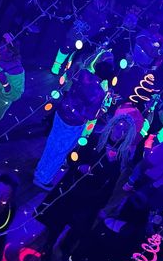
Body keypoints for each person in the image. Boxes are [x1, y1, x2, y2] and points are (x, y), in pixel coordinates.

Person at [37, 110, 140, 259]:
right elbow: (72, 157)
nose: (120, 131)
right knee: (59, 219)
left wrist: (102, 201)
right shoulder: (93, 139)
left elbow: (113, 181)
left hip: (93, 196)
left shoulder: (121, 156)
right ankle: (49, 244)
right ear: (112, 125)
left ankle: (66, 249)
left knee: (78, 226)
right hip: (74, 186)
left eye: (125, 130)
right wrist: (80, 166)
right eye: (119, 126)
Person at [34, 62, 111, 190]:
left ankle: (40, 169)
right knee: (61, 150)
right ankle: (44, 178)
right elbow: (91, 115)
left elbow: (74, 72)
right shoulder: (99, 93)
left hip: (61, 112)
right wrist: (102, 112)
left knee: (52, 141)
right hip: (74, 123)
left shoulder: (84, 74)